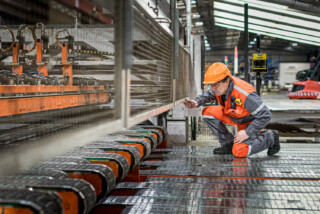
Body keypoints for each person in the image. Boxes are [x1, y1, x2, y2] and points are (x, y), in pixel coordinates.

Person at [184, 62, 280, 157]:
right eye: (211, 85)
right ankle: (228, 143)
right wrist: (197, 102)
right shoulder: (218, 88)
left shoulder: (245, 94)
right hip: (234, 116)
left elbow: (265, 115)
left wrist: (247, 132)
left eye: (216, 84)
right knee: (207, 112)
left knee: (239, 152)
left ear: (227, 80)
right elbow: (209, 94)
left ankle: (270, 137)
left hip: (248, 123)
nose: (213, 88)